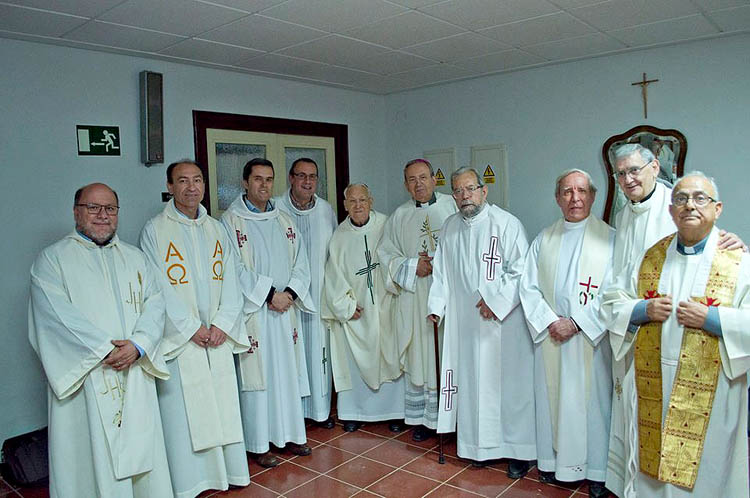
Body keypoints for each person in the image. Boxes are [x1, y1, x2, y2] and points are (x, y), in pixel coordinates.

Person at [605, 144, 744, 497]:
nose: (690, 206)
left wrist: (712, 318)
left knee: (706, 477)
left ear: (718, 208)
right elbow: (613, 300)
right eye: (682, 199)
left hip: (712, 392)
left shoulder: (738, 262)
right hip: (654, 382)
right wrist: (642, 311)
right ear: (672, 210)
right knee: (654, 475)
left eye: (700, 198)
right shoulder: (651, 258)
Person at [28, 183, 173, 497]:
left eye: (110, 208)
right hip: (90, 375)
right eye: (93, 207)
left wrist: (139, 345)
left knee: (143, 457)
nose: (102, 215)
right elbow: (55, 315)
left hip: (134, 367)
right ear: (76, 211)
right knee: (89, 461)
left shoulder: (136, 258)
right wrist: (105, 351)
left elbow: (156, 304)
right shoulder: (52, 260)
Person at [139, 160, 250, 496]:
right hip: (182, 341)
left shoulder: (217, 228)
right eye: (182, 181)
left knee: (222, 406)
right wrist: (189, 328)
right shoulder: (155, 230)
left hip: (215, 337)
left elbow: (232, 278)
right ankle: (191, 483)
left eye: (197, 180)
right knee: (185, 415)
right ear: (169, 186)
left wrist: (221, 324)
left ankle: (228, 473)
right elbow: (156, 286)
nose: (191, 187)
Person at [427, 167, 536, 477]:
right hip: (464, 322)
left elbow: (521, 270)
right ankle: (478, 447)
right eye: (458, 191)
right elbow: (441, 272)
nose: (465, 196)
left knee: (506, 387)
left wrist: (496, 301)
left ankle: (517, 452)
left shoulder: (507, 223)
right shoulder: (450, 227)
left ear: (484, 191)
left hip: (502, 325)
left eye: (471, 189)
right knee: (473, 382)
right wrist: (436, 305)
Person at [519, 169, 613, 497]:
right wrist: (549, 321)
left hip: (589, 339)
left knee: (592, 405)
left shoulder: (610, 239)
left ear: (593, 196)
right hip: (552, 338)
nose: (575, 198)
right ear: (558, 198)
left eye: (582, 191)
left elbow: (614, 292)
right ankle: (552, 464)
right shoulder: (544, 239)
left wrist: (577, 322)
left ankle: (597, 472)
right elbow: (527, 286)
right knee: (552, 400)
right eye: (567, 192)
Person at [221, 158, 313, 468]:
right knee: (259, 379)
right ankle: (259, 444)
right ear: (245, 182)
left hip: (285, 310)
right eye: (257, 179)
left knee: (286, 373)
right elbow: (233, 268)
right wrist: (269, 294)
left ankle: (291, 434)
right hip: (256, 313)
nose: (264, 185)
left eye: (269, 179)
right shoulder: (231, 221)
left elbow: (302, 261)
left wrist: (291, 293)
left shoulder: (284, 220)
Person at [377, 158, 457, 441]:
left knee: (449, 354)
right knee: (421, 355)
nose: (418, 184)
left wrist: (444, 264)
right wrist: (414, 266)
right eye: (412, 179)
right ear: (405, 185)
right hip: (415, 298)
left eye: (423, 177)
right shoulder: (399, 216)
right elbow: (385, 255)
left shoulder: (453, 206)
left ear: (434, 179)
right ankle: (425, 419)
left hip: (450, 298)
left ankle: (452, 419)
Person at [322, 184, 404, 432]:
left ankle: (394, 412)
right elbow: (333, 276)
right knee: (353, 356)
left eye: (363, 200)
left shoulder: (386, 226)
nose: (358, 206)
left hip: (386, 304)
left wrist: (394, 293)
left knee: (389, 350)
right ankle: (354, 412)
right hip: (357, 311)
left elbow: (398, 259)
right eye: (352, 201)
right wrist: (346, 306)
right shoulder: (339, 236)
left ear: (371, 200)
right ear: (345, 205)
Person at [275, 157, 337, 429]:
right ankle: (293, 415)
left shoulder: (325, 209)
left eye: (312, 176)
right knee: (290, 356)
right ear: (290, 178)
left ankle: (320, 412)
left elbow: (335, 253)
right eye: (301, 176)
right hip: (286, 298)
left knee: (319, 355)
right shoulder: (275, 208)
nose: (307, 181)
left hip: (319, 294)